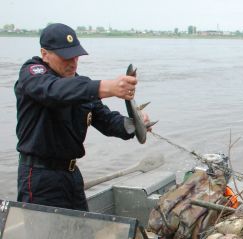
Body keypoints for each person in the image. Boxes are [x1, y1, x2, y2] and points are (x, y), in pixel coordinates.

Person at [14, 23, 149, 211]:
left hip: (71, 175)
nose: (72, 62)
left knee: (82, 234)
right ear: (45, 54)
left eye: (76, 56)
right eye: (65, 57)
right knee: (45, 238)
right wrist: (108, 87)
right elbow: (54, 92)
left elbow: (108, 121)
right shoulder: (33, 75)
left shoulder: (79, 86)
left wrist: (135, 124)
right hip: (39, 177)